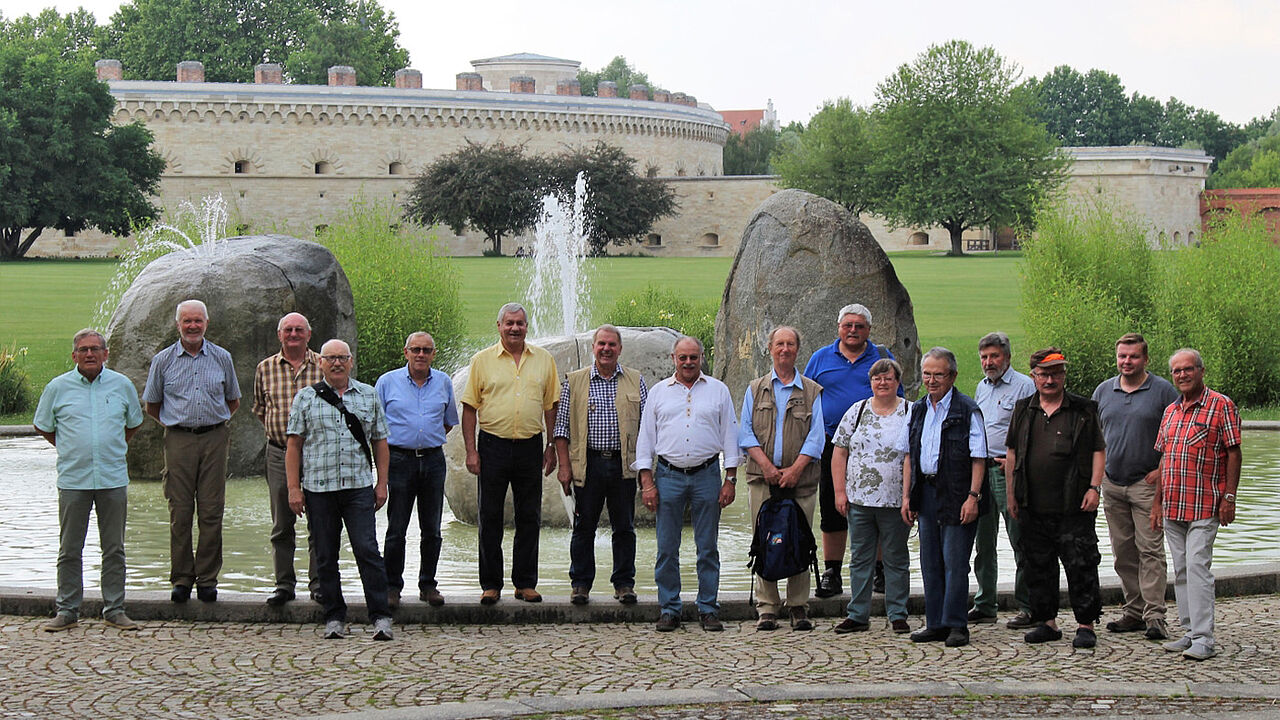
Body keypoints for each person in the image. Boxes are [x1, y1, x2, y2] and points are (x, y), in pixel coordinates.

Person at [34, 329, 145, 632]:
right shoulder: (58, 388)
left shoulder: (122, 385)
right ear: (74, 356)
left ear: (105, 354)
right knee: (70, 549)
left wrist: (110, 446)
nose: (90, 354)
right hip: (74, 479)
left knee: (114, 549)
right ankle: (67, 610)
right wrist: (70, 447)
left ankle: (115, 609)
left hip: (112, 478)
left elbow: (133, 423)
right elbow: (43, 425)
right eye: (83, 350)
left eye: (95, 349)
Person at [286, 339, 394, 641]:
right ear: (320, 362)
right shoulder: (306, 397)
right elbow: (294, 445)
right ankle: (334, 616)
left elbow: (380, 442)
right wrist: (293, 488)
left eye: (342, 358)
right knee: (325, 554)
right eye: (330, 358)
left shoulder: (368, 395)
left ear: (350, 362)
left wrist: (382, 483)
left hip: (357, 486)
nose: (336, 363)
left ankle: (381, 616)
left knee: (367, 550)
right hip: (319, 488)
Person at [635, 336, 739, 632]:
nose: (689, 362)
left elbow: (730, 435)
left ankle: (708, 608)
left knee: (707, 547)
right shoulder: (659, 392)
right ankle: (669, 608)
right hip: (668, 475)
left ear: (701, 357)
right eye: (683, 357)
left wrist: (730, 479)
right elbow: (646, 438)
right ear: (674, 359)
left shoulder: (718, 390)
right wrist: (647, 481)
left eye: (694, 357)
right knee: (667, 547)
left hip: (707, 474)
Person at [1006, 348, 1106, 649]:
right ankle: (1046, 622)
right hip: (1032, 504)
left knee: (1081, 565)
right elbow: (1011, 453)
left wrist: (1094, 487)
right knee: (1037, 565)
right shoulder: (1023, 409)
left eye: (1056, 374)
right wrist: (1011, 494)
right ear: (1034, 376)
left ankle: (1085, 624)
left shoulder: (1083, 409)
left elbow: (1098, 450)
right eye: (1044, 374)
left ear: (1064, 376)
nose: (1050, 380)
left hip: (1074, 504)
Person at [460, 302, 559, 605]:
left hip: (530, 445)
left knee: (529, 515)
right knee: (489, 515)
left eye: (520, 323)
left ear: (527, 326)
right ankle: (491, 584)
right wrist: (471, 451)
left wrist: (551, 445)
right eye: (509, 323)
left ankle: (525, 583)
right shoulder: (482, 360)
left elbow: (551, 406)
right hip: (493, 446)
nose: (515, 328)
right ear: (499, 326)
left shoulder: (544, 359)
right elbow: (469, 408)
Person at [142, 299, 240, 603]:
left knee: (211, 511)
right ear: (178, 325)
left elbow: (233, 400)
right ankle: (182, 578)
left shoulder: (222, 357)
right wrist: (176, 425)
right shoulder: (163, 360)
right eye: (187, 321)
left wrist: (213, 423)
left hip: (214, 438)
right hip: (179, 440)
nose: (193, 326)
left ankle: (207, 579)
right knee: (180, 511)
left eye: (198, 320)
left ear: (207, 323)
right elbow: (152, 405)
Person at [1153, 348, 1241, 661]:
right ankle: (1190, 631)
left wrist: (1229, 496)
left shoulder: (1221, 405)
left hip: (1205, 504)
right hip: (1174, 505)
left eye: (1188, 369)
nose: (1182, 375)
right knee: (1181, 570)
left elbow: (1234, 452)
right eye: (1177, 371)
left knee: (1197, 567)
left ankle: (1205, 638)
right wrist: (1156, 503)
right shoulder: (1171, 411)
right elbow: (1164, 459)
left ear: (1201, 371)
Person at [803, 303, 896, 599]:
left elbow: (897, 396)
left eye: (859, 326)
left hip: (875, 447)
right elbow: (805, 397)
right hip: (832, 445)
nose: (853, 331)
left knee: (876, 506)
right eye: (848, 325)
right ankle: (832, 571)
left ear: (869, 329)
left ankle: (880, 570)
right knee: (833, 507)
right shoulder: (821, 358)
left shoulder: (881, 357)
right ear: (839, 328)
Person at [553, 325, 648, 606]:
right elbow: (561, 429)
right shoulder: (575, 381)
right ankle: (580, 584)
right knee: (584, 527)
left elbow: (647, 428)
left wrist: (645, 470)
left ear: (620, 349)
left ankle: (624, 583)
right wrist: (564, 467)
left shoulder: (635, 380)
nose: (606, 349)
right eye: (601, 344)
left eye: (612, 344)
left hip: (623, 464)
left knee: (625, 527)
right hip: (589, 464)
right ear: (593, 347)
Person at [899, 347, 987, 648]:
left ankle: (956, 624)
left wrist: (973, 497)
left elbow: (979, 458)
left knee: (955, 561)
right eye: (927, 374)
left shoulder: (967, 410)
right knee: (930, 562)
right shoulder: (918, 410)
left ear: (952, 376)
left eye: (938, 374)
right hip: (926, 492)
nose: (931, 380)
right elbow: (909, 455)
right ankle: (935, 622)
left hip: (958, 492)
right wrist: (907, 497)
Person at [1093, 333, 1179, 640]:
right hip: (1113, 483)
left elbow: (1176, 435)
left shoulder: (1163, 391)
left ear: (1145, 359)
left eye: (1133, 356)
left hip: (1147, 484)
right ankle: (1134, 611)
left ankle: (1155, 616)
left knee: (1150, 551)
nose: (1127, 361)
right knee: (1123, 553)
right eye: (1122, 356)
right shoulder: (1104, 391)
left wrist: (1161, 471)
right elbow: (1095, 438)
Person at [738, 326, 825, 631]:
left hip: (801, 482)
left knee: (799, 540)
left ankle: (798, 605)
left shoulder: (812, 391)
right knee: (765, 541)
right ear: (770, 348)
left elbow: (816, 437)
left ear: (797, 349)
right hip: (763, 480)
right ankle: (767, 607)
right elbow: (745, 432)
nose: (784, 349)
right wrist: (767, 467)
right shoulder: (755, 389)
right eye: (779, 344)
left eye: (790, 344)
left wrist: (795, 470)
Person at [376, 331, 459, 609]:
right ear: (406, 352)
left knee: (432, 528)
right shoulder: (387, 382)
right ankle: (392, 587)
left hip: (433, 460)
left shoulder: (443, 382)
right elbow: (376, 427)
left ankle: (428, 584)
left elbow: (448, 422)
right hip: (399, 460)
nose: (421, 355)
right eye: (416, 350)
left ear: (433, 354)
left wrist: (425, 437)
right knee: (396, 528)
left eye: (426, 350)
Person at [830, 357, 912, 635]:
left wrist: (909, 497)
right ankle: (857, 614)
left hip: (895, 501)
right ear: (871, 382)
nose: (883, 383)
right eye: (877, 378)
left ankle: (898, 613)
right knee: (860, 559)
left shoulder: (910, 412)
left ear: (897, 382)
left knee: (896, 559)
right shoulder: (857, 410)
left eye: (888, 378)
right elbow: (839, 452)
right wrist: (840, 492)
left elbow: (913, 456)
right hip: (859, 501)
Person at [252, 312, 323, 607]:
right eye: (288, 330)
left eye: (299, 330)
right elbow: (260, 409)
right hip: (279, 452)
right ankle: (284, 584)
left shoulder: (323, 365)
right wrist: (281, 433)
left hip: (317, 454)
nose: (293, 335)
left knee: (319, 521)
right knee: (282, 523)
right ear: (279, 335)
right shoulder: (265, 368)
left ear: (308, 334)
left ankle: (319, 583)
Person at [970, 331, 1036, 628]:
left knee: (1019, 538)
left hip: (1007, 471)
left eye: (994, 356)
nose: (989, 362)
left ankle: (1028, 606)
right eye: (984, 357)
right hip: (980, 471)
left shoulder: (1024, 386)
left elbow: (1032, 430)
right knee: (983, 543)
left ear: (1007, 357)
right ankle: (985, 603)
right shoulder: (981, 387)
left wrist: (1016, 461)